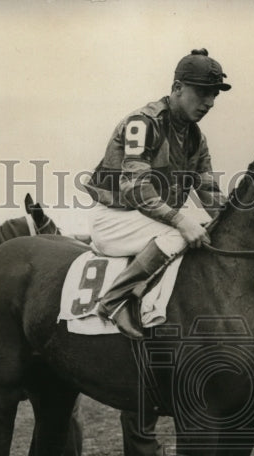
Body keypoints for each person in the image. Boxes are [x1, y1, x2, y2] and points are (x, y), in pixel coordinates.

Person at [83, 49, 230, 338]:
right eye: (202, 92)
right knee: (181, 233)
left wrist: (236, 223)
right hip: (114, 217)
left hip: (146, 220)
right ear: (177, 88)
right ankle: (114, 301)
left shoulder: (195, 137)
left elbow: (210, 192)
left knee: (205, 229)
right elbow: (135, 188)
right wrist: (180, 221)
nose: (210, 102)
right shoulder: (143, 122)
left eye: (214, 94)